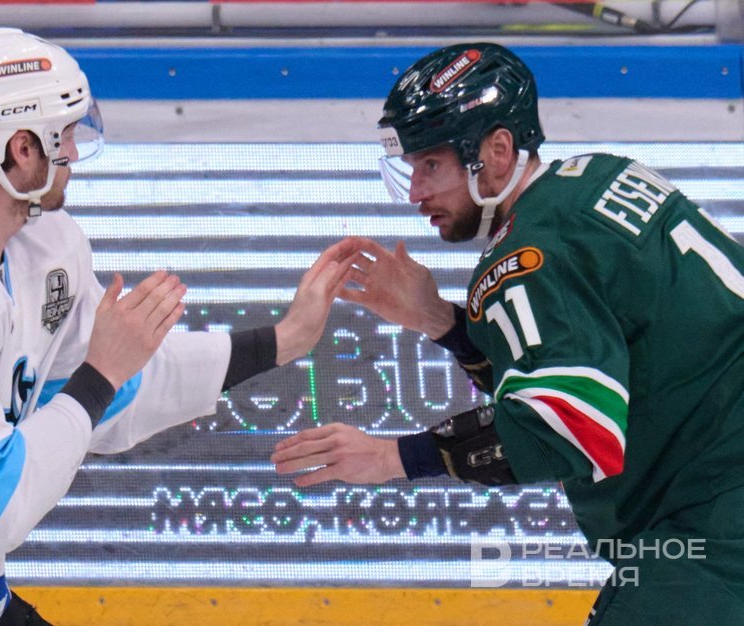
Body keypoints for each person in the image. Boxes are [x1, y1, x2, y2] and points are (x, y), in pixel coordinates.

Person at [0, 28, 354, 625]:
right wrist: (100, 374)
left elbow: (118, 391)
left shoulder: (42, 243)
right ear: (21, 149)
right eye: (63, 133)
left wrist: (284, 339)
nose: (73, 149)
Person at [272, 42, 744, 623]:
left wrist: (392, 457)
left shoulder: (527, 254)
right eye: (411, 169)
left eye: (431, 165)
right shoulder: (601, 176)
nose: (416, 191)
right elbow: (584, 364)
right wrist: (439, 320)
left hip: (717, 519)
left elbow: (570, 426)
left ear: (497, 151)